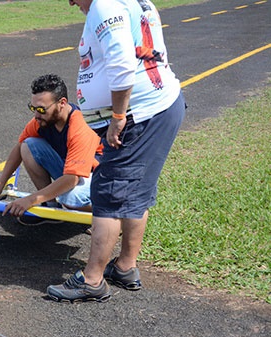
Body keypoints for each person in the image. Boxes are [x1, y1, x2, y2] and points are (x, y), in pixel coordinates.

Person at [47, 0, 186, 302]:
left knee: (109, 192)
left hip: (138, 115)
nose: (71, 1)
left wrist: (118, 117)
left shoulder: (105, 4)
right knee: (136, 192)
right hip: (157, 107)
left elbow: (122, 64)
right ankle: (125, 266)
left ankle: (92, 280)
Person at [0, 73, 102, 224]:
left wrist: (31, 200)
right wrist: (0, 183)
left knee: (70, 198)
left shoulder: (80, 126)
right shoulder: (42, 121)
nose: (36, 114)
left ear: (62, 103)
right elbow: (19, 148)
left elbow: (71, 179)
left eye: (41, 109)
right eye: (33, 108)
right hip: (73, 173)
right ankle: (50, 207)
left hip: (98, 178)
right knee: (28, 145)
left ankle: (111, 216)